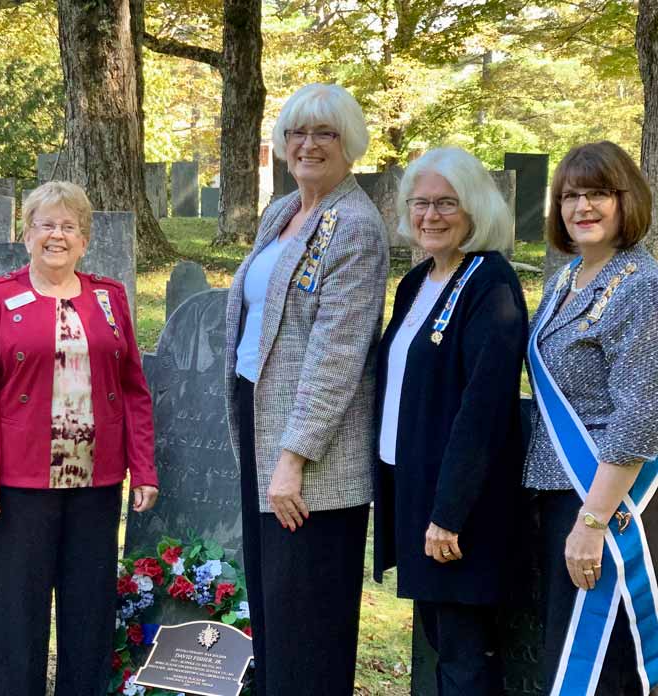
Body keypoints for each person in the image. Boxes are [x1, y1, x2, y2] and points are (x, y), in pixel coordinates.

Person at [223, 83, 388, 696]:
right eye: (297, 132)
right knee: (272, 609)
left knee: (307, 620)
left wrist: (293, 460)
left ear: (350, 145)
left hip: (310, 457)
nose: (308, 144)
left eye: (325, 133)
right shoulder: (284, 212)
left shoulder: (356, 227)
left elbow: (336, 356)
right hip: (261, 427)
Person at [0, 181, 159, 696]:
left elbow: (134, 389)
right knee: (19, 612)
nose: (57, 235)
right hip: (21, 482)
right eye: (45, 225)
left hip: (96, 480)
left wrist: (145, 467)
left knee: (89, 610)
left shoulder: (109, 297)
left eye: (69, 226)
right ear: (26, 235)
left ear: (84, 239)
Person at [371, 147, 528, 695]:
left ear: (474, 210)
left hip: (459, 508)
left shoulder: (491, 284)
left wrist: (449, 513)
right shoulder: (416, 282)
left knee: (465, 653)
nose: (430, 216)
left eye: (446, 203)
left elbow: (483, 410)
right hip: (416, 492)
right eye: (420, 203)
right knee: (442, 639)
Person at [524, 141, 658, 695]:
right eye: (571, 195)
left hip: (608, 503)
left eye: (600, 193)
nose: (583, 206)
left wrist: (593, 521)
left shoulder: (643, 287)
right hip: (564, 497)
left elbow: (637, 418)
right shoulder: (567, 277)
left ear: (627, 201)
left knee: (601, 669)